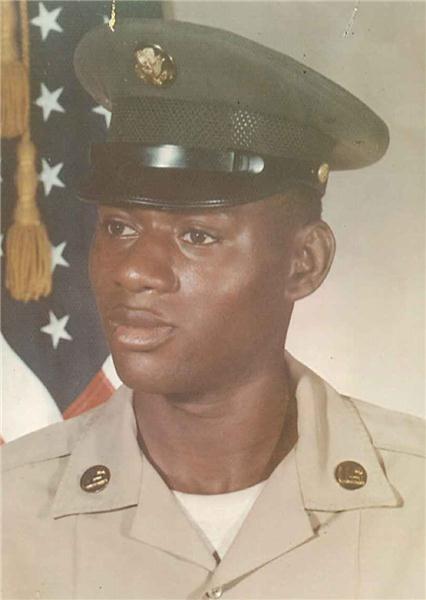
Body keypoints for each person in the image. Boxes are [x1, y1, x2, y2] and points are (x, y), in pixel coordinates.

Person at [2, 17, 424, 600]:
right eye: (119, 227)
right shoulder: (11, 511)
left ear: (304, 262)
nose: (133, 271)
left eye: (197, 236)